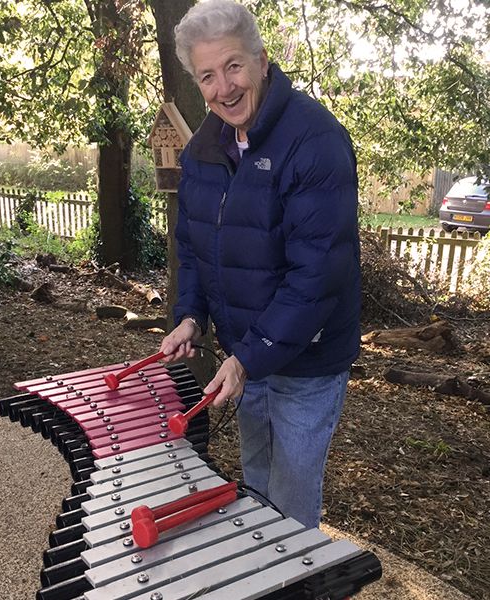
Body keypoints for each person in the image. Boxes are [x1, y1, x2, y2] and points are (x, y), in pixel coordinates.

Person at [159, 0, 361, 530]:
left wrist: (247, 357)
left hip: (305, 362)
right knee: (254, 485)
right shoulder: (204, 147)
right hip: (246, 356)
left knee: (291, 506)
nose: (223, 88)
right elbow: (196, 245)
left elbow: (316, 277)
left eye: (232, 66)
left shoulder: (315, 142)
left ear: (262, 60)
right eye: (207, 75)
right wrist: (189, 315)